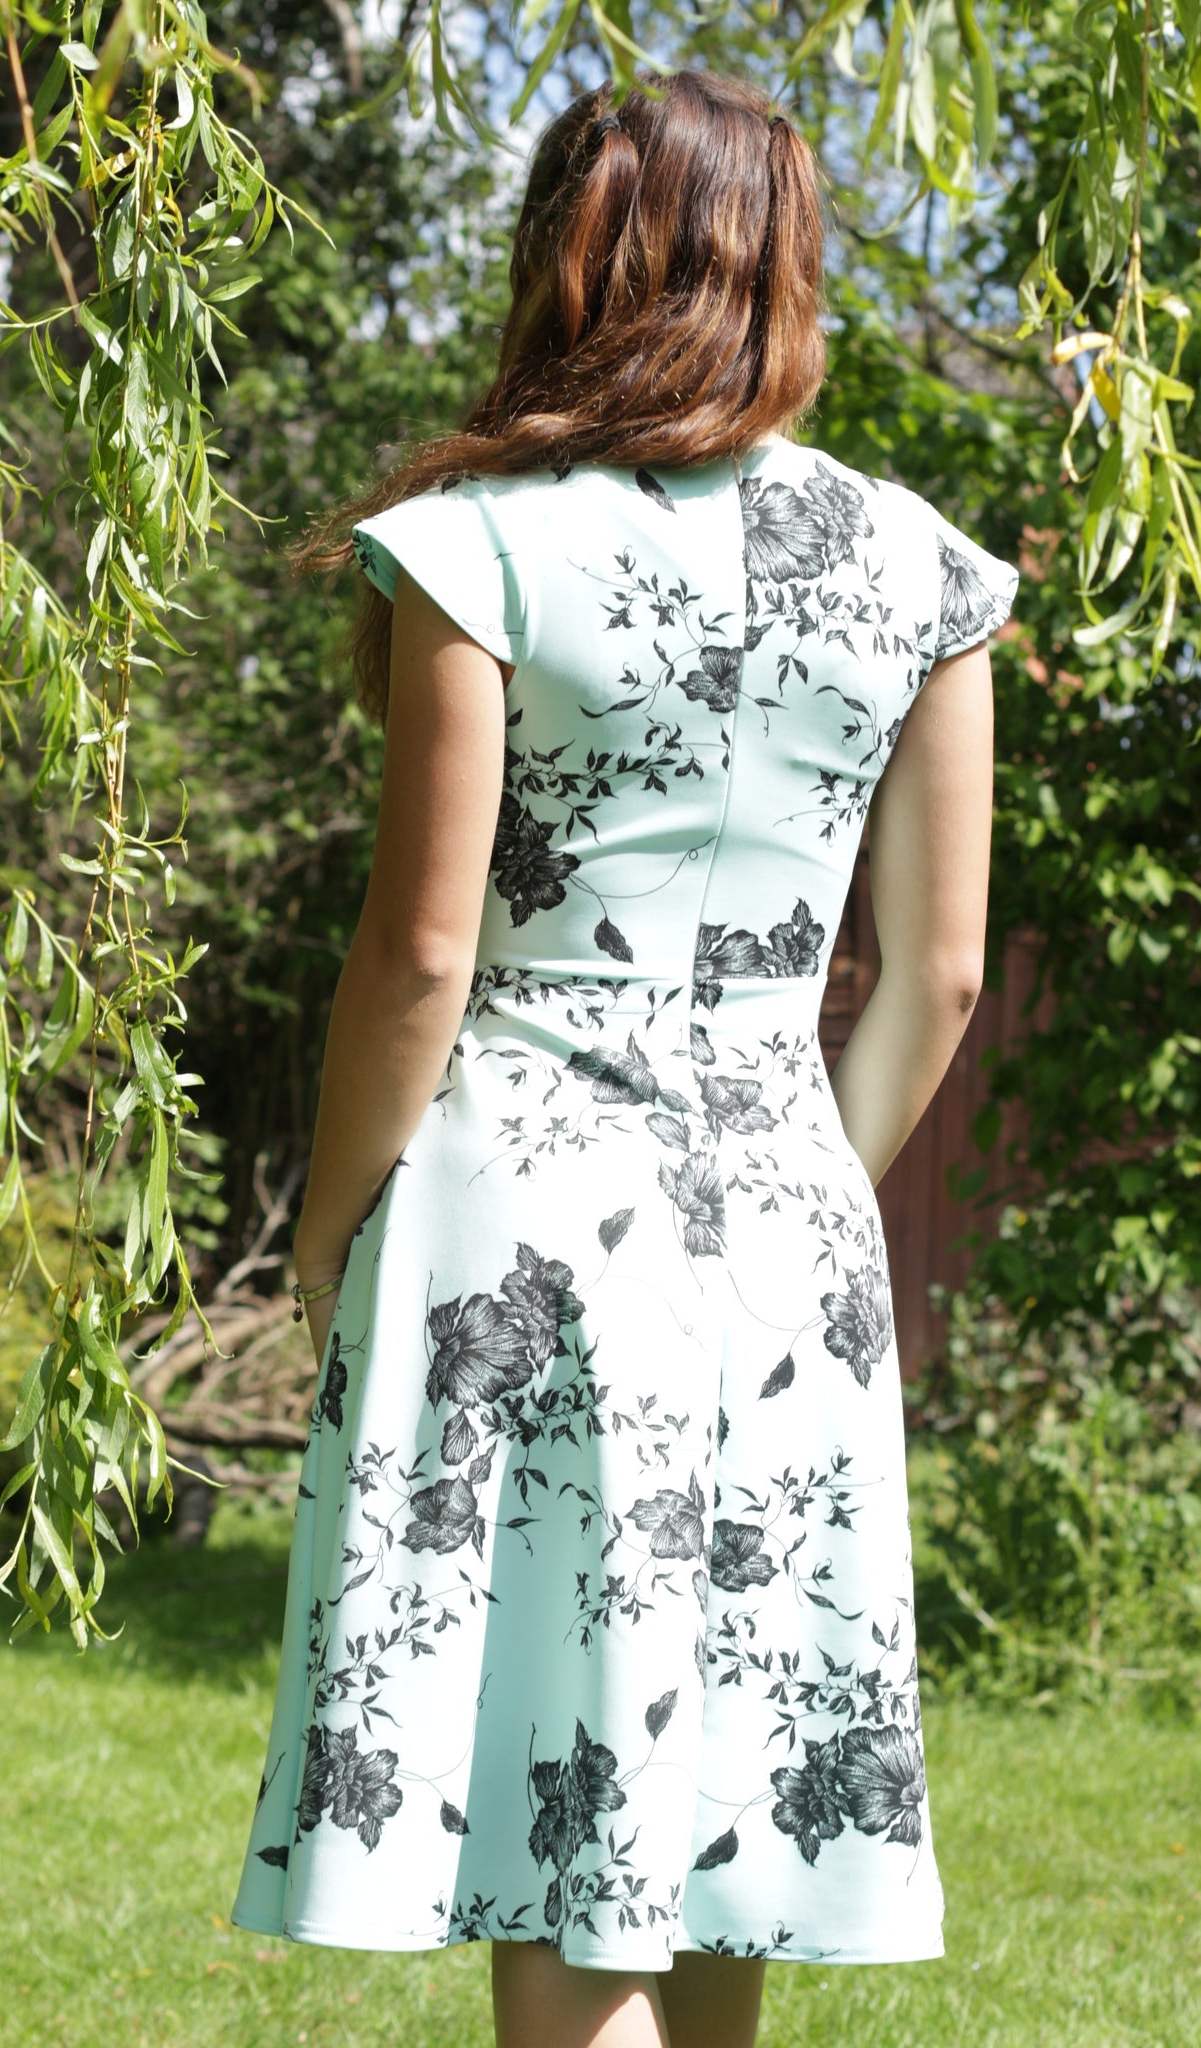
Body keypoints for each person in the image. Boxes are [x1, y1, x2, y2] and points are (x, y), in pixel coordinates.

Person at [229, 66, 1018, 2048]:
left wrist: (326, 1235)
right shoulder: (916, 566)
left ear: (571, 262)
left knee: (560, 1802)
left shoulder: (479, 549)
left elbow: (418, 951)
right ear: (786, 267)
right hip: (778, 1205)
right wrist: (800, 1192)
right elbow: (929, 973)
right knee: (719, 1794)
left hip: (522, 1198)